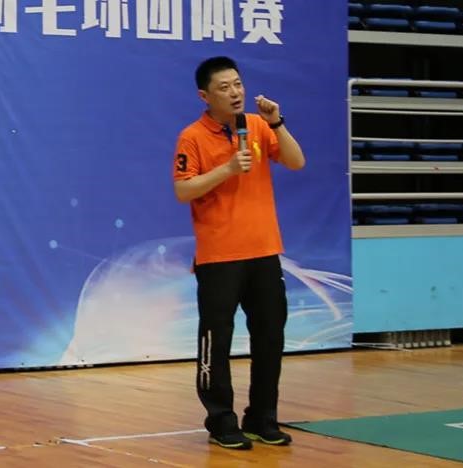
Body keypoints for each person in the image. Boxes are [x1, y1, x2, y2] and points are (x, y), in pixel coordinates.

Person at [172, 56, 306, 450]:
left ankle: (262, 418)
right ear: (205, 95)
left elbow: (297, 162)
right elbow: (183, 190)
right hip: (219, 257)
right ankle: (221, 421)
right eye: (224, 87)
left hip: (264, 251)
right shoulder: (192, 136)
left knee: (270, 336)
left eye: (237, 84)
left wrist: (277, 123)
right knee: (217, 341)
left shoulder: (258, 126)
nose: (234, 93)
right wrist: (227, 170)